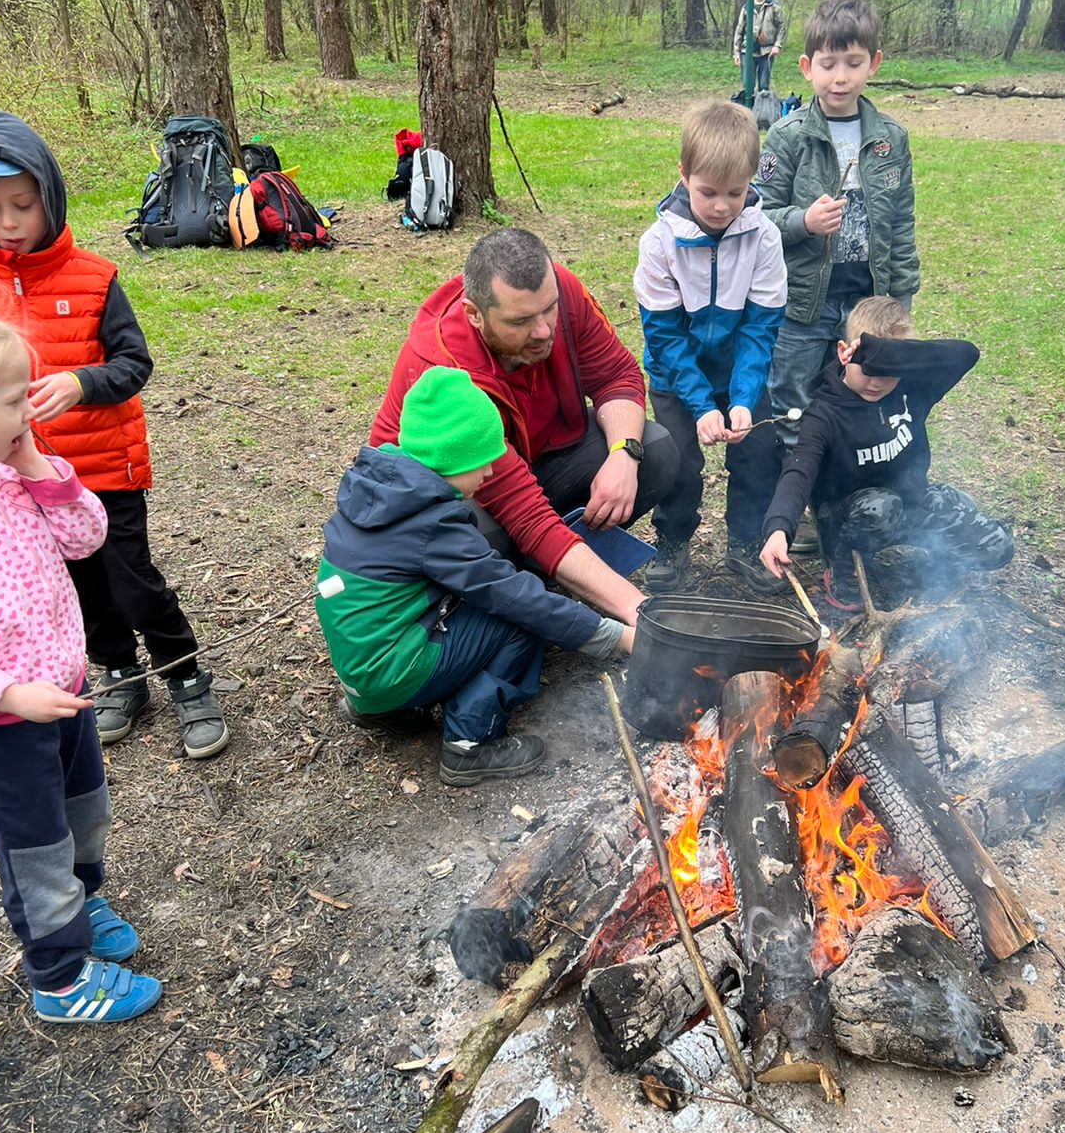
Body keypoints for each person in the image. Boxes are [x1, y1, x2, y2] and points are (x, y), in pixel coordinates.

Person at [0, 112, 228, 759]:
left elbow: (134, 364)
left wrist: (82, 384)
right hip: (20, 476)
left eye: (22, 206)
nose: (8, 222)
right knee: (76, 585)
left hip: (104, 470)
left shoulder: (94, 277)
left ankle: (186, 675)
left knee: (131, 580)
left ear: (49, 198)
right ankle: (118, 673)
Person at [0, 310, 162, 1023]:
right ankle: (59, 976)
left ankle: (86, 902)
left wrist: (39, 469)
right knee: (37, 845)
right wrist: (8, 693)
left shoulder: (10, 472)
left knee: (84, 813)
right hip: (3, 722)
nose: (31, 408)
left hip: (65, 690)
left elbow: (87, 537)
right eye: (14, 399)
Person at [319, 367, 634, 786]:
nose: (489, 474)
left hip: (360, 666)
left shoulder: (380, 489)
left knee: (452, 605)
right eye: (482, 462)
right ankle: (469, 744)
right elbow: (515, 597)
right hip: (390, 670)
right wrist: (612, 635)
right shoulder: (431, 525)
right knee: (519, 621)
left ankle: (381, 709)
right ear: (452, 458)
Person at [369, 229, 679, 626]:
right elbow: (524, 514)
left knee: (652, 448)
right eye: (520, 321)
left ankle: (552, 577)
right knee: (482, 534)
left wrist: (625, 453)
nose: (544, 330)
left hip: (529, 458)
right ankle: (491, 608)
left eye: (548, 310)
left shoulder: (559, 293)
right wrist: (643, 615)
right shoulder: (449, 371)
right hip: (448, 503)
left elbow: (616, 376)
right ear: (474, 314)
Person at [757, 295, 1013, 608]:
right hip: (849, 520)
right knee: (880, 506)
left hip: (910, 504)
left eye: (888, 371)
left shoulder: (912, 389)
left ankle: (935, 571)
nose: (877, 383)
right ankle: (844, 570)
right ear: (843, 353)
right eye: (868, 370)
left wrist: (898, 355)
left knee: (996, 546)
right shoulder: (824, 414)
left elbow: (967, 354)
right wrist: (779, 529)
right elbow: (798, 471)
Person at [633, 99, 788, 593]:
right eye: (707, 193)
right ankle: (674, 544)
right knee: (677, 458)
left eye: (735, 192)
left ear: (750, 181)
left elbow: (760, 329)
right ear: (683, 174)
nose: (722, 206)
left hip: (739, 371)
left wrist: (742, 399)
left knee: (760, 452)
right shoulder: (658, 243)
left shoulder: (764, 238)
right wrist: (700, 404)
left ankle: (746, 543)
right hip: (677, 378)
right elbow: (665, 335)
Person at [756, 0, 920, 444]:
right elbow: (755, 216)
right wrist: (802, 222)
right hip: (804, 301)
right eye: (828, 64)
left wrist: (900, 299)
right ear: (808, 68)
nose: (840, 77)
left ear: (874, 63)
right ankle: (797, 482)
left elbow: (901, 224)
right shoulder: (787, 139)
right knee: (794, 395)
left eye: (853, 62)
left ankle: (845, 485)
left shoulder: (891, 139)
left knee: (863, 391)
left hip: (868, 297)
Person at [732, 0, 786, 94]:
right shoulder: (747, 7)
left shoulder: (774, 6)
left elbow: (782, 26)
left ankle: (762, 110)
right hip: (747, 51)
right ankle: (748, 110)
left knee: (764, 86)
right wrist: (736, 52)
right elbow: (739, 31)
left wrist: (777, 45)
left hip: (767, 51)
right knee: (747, 86)